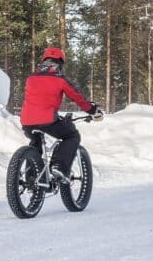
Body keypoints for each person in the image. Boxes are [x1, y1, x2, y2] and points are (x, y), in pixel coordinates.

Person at [19, 47, 99, 184]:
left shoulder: (31, 78)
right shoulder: (60, 79)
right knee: (72, 136)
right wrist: (92, 110)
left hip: (26, 121)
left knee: (36, 142)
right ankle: (59, 167)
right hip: (47, 120)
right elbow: (77, 97)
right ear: (60, 63)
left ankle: (31, 178)